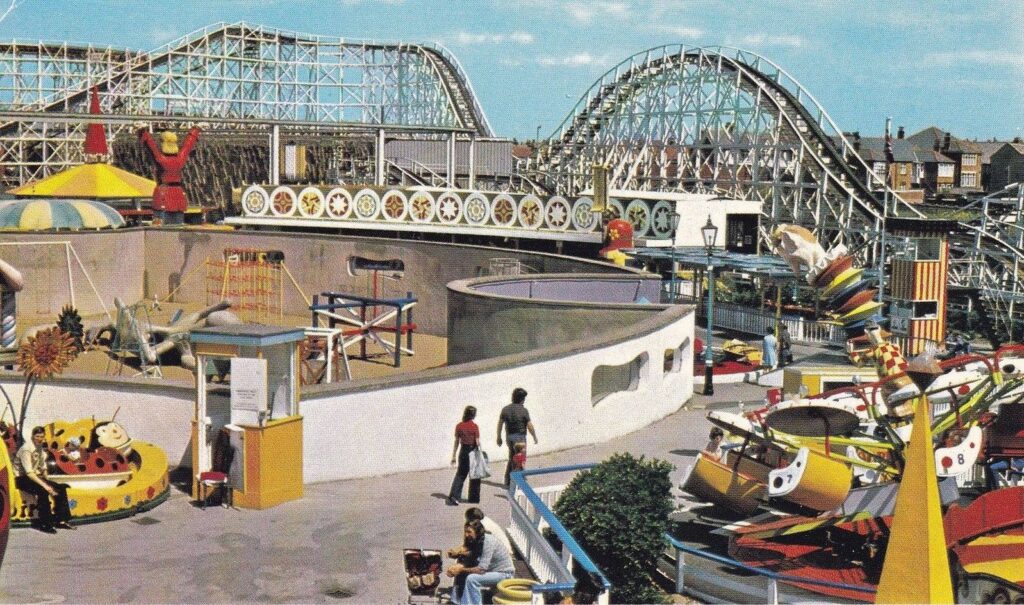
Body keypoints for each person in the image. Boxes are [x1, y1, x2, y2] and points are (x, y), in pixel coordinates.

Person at [136, 121, 205, 225]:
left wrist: (143, 131)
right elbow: (188, 145)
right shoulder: (180, 159)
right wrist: (196, 129)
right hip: (178, 197)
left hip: (163, 197)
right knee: (177, 228)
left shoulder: (161, 159)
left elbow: (151, 146)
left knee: (160, 230)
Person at [14, 426, 74, 533]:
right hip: (21, 478)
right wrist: (46, 486)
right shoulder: (26, 449)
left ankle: (61, 520)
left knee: (60, 487)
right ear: (32, 436)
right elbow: (29, 473)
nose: (39, 438)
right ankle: (45, 523)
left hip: (34, 477)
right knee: (43, 490)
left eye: (42, 436)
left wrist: (48, 481)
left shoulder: (40, 447)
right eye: (37, 436)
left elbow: (42, 466)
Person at [447, 520, 515, 605]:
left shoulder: (488, 542)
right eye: (465, 532)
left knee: (472, 579)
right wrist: (456, 567)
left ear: (477, 532)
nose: (466, 535)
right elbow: (472, 556)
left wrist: (461, 569)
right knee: (462, 568)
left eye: (469, 532)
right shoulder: (478, 540)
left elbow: (481, 569)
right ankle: (456, 601)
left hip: (504, 573)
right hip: (492, 570)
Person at [497, 388, 538, 487]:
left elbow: (500, 424)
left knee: (512, 458)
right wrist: (534, 436)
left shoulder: (505, 409)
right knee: (520, 459)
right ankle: (519, 480)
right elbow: (529, 425)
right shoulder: (523, 410)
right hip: (520, 438)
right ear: (522, 399)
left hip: (509, 437)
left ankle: (507, 480)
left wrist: (498, 437)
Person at [447, 405, 481, 506]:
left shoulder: (459, 426)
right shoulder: (474, 426)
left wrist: (453, 456)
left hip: (463, 451)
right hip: (473, 450)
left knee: (461, 474)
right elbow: (477, 442)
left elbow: (457, 441)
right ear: (473, 415)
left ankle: (454, 496)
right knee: (475, 474)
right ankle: (473, 498)